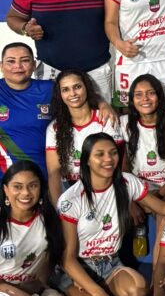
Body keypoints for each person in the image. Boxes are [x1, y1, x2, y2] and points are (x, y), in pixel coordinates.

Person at [56, 133, 165, 296]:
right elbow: (67, 260)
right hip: (79, 270)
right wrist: (97, 293)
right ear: (86, 160)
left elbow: (162, 207)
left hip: (110, 264)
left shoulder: (126, 182)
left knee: (139, 293)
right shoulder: (71, 199)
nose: (108, 159)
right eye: (99, 154)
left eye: (113, 153)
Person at [0, 160, 75, 296]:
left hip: (32, 291)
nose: (25, 193)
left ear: (41, 188)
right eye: (17, 186)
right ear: (6, 190)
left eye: (32, 186)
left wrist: (38, 288)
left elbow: (56, 261)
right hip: (3, 291)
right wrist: (9, 289)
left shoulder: (50, 221)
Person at [45, 69, 124, 203]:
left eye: (77, 87)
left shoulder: (106, 118)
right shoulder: (54, 128)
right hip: (69, 189)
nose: (72, 94)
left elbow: (119, 164)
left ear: (86, 87)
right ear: (60, 95)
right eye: (65, 90)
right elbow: (54, 172)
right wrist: (59, 207)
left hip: (104, 186)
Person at [120, 74, 165, 210]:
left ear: (159, 96)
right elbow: (124, 168)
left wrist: (158, 195)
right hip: (139, 188)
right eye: (138, 95)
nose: (145, 98)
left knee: (162, 211)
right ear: (132, 99)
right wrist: (132, 198)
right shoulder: (124, 123)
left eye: (151, 93)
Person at [0, 43, 59, 170]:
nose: (18, 66)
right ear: (1, 66)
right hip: (5, 175)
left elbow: (80, 104)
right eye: (11, 61)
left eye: (25, 60)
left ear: (34, 65)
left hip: (44, 171)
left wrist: (101, 104)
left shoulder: (50, 89)